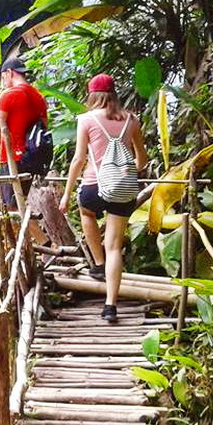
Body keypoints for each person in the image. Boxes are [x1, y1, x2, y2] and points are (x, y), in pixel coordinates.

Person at [59, 74, 148, 321]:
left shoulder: (86, 120)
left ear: (92, 95)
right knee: (115, 247)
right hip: (123, 190)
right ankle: (110, 305)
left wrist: (66, 194)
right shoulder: (132, 119)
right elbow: (142, 160)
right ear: (114, 94)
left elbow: (78, 160)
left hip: (93, 187)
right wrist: (127, 170)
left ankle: (97, 264)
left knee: (86, 212)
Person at [0, 57, 48, 209]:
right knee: (20, 206)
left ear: (9, 73)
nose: (3, 82)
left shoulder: (9, 95)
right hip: (32, 158)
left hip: (12, 159)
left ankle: (33, 234)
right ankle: (30, 233)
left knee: (13, 209)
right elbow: (44, 127)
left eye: (3, 77)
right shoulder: (39, 97)